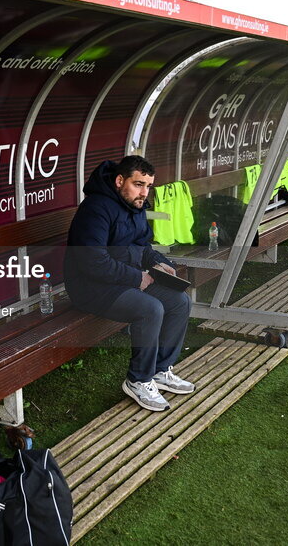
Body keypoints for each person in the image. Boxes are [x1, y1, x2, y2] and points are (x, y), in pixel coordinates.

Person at [64, 156, 194, 412]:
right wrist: (137, 278)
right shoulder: (96, 208)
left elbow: (142, 247)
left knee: (179, 302)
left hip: (123, 280)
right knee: (150, 309)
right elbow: (92, 261)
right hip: (90, 287)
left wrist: (160, 262)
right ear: (120, 180)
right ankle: (138, 380)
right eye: (138, 184)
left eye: (148, 186)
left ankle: (158, 370)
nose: (144, 192)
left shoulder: (135, 206)